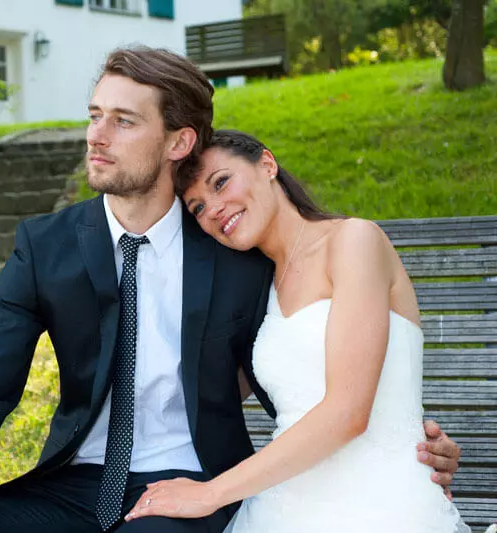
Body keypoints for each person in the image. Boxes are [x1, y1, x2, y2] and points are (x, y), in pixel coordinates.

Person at [0, 47, 461, 533]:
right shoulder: (46, 246)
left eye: (124, 121)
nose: (96, 136)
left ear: (177, 141)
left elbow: (325, 367)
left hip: (191, 481)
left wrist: (407, 442)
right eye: (94, 116)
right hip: (71, 483)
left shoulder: (235, 251)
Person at [125, 130, 470, 532]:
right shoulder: (258, 289)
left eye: (221, 182)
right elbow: (200, 395)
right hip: (282, 505)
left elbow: (348, 412)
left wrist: (210, 493)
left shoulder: (354, 240)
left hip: (380, 503)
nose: (214, 209)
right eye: (198, 207)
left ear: (267, 165)